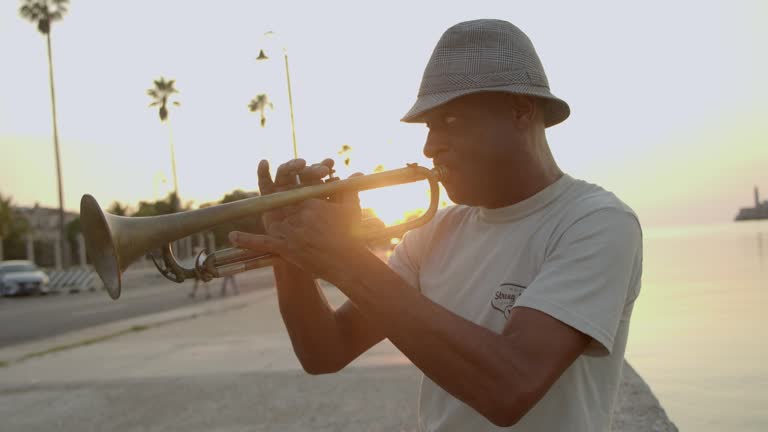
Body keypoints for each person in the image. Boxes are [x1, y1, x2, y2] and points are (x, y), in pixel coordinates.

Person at [229, 19, 642, 431]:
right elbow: (325, 352)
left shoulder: (595, 221)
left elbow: (511, 387)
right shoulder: (431, 234)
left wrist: (347, 260)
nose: (429, 146)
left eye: (449, 121)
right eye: (428, 126)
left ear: (520, 109)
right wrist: (289, 251)